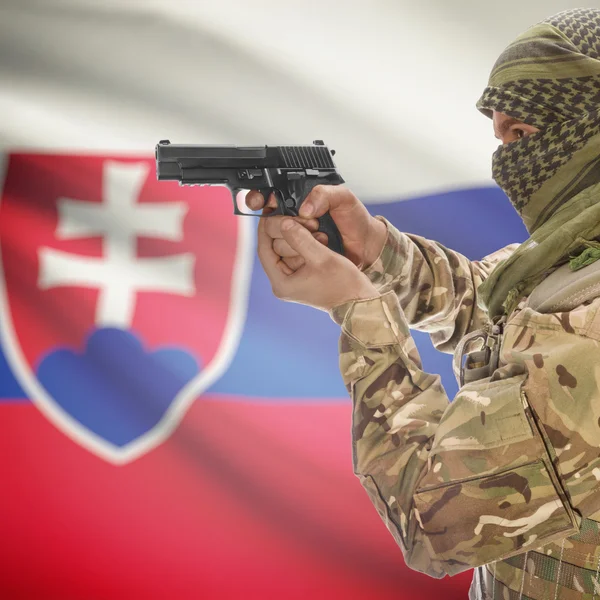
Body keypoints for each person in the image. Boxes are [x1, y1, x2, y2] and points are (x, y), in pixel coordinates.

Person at [246, 8, 600, 599]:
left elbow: (434, 522)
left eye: (522, 134)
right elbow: (500, 311)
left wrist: (359, 310)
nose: (506, 158)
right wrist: (377, 251)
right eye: (499, 135)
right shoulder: (576, 256)